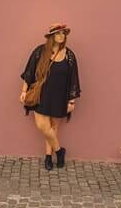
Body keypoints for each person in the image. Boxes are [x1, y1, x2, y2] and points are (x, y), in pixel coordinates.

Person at [20, 22, 81, 171]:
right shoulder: (40, 51)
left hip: (60, 97)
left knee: (53, 128)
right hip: (41, 95)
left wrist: (71, 100)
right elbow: (29, 72)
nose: (62, 36)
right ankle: (60, 151)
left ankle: (48, 157)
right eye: (58, 33)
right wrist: (23, 91)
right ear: (51, 36)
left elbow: (74, 78)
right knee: (43, 126)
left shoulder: (69, 55)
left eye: (63, 34)